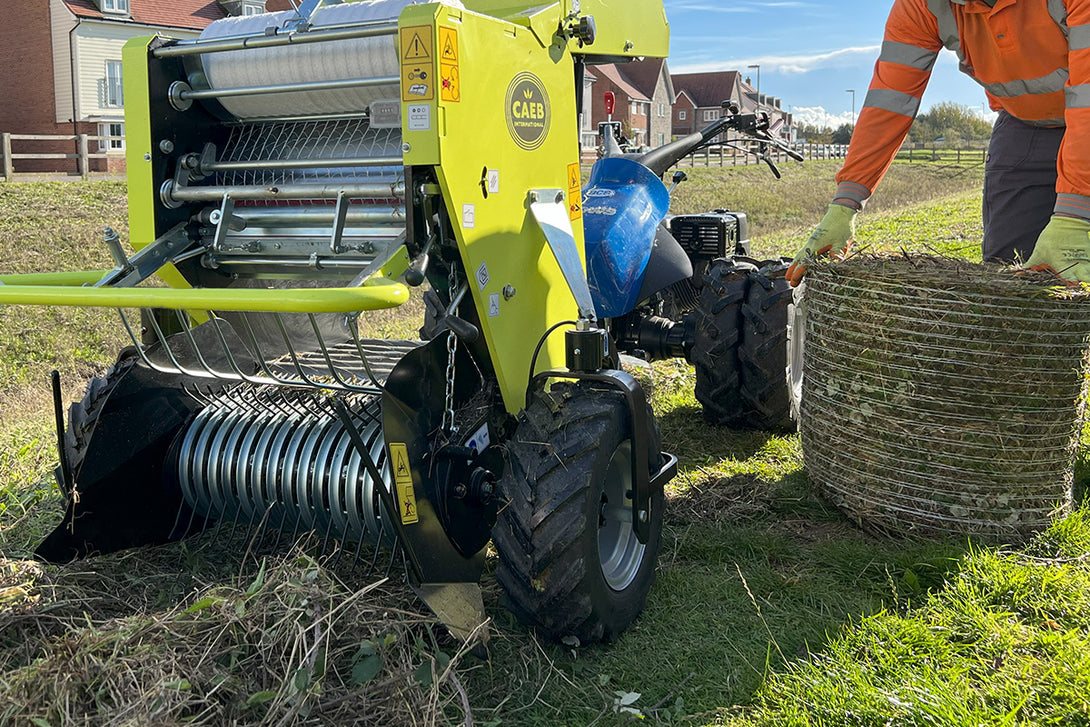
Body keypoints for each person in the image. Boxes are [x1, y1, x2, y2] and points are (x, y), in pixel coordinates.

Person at [786, 0, 1090, 286]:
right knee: (1007, 271)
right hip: (1024, 124)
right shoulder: (921, 5)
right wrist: (844, 205)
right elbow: (889, 101)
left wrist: (1074, 216)